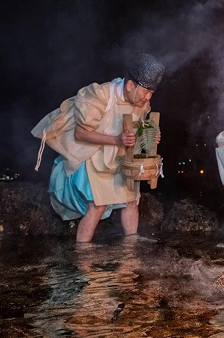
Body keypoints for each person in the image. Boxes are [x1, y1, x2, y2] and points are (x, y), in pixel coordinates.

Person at [31, 53, 165, 242]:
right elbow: (81, 134)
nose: (149, 97)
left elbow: (138, 130)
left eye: (152, 93)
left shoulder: (141, 101)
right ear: (130, 86)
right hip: (93, 157)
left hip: (120, 159)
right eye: (146, 92)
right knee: (97, 205)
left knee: (131, 201)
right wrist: (116, 140)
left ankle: (131, 251)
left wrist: (149, 137)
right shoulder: (101, 95)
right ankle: (83, 256)